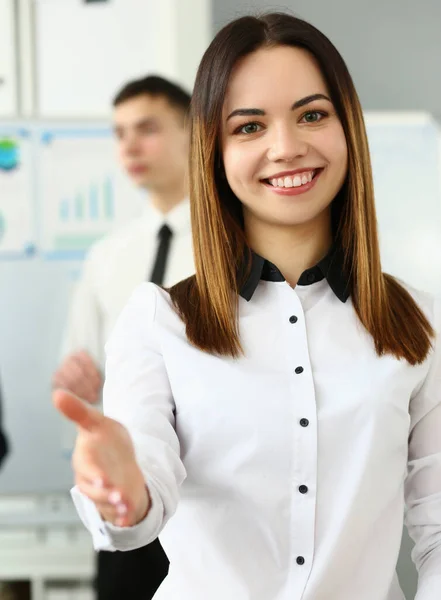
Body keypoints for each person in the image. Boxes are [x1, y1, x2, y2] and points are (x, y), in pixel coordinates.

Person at [54, 12, 441, 600]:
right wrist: (121, 492)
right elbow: (141, 495)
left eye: (312, 114)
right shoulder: (159, 319)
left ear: (348, 129)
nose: (286, 148)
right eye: (249, 126)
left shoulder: (421, 320)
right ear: (213, 147)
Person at [52, 76, 194, 599]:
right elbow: (80, 366)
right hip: (124, 486)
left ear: (193, 134)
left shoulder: (235, 247)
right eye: (119, 133)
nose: (129, 146)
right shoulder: (107, 255)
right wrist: (77, 379)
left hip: (208, 490)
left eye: (147, 129)